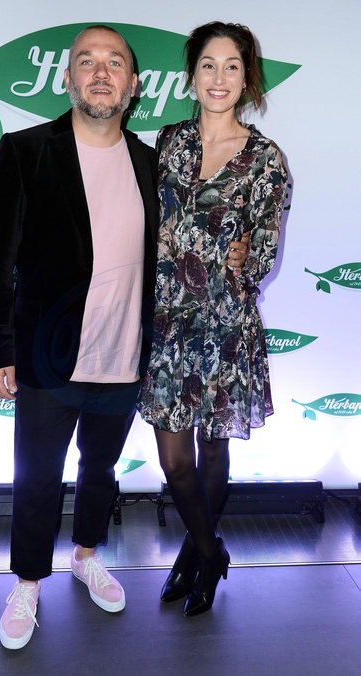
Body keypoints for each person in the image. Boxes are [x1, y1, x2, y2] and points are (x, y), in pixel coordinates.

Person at [0, 23, 247, 649]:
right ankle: (27, 583)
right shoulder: (25, 150)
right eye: (86, 61)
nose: (101, 73)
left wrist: (239, 252)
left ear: (133, 84)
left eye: (114, 63)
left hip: (128, 353)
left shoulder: (153, 162)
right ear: (68, 78)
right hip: (47, 355)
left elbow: (198, 228)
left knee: (99, 468)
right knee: (37, 475)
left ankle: (86, 554)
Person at [138, 21, 288, 617]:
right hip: (166, 323)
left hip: (225, 324)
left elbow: (265, 253)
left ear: (247, 79)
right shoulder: (167, 142)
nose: (219, 78)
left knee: (212, 448)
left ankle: (194, 555)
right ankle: (210, 550)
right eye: (208, 65)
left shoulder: (265, 160)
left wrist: (247, 257)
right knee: (175, 461)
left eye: (232, 66)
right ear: (192, 74)